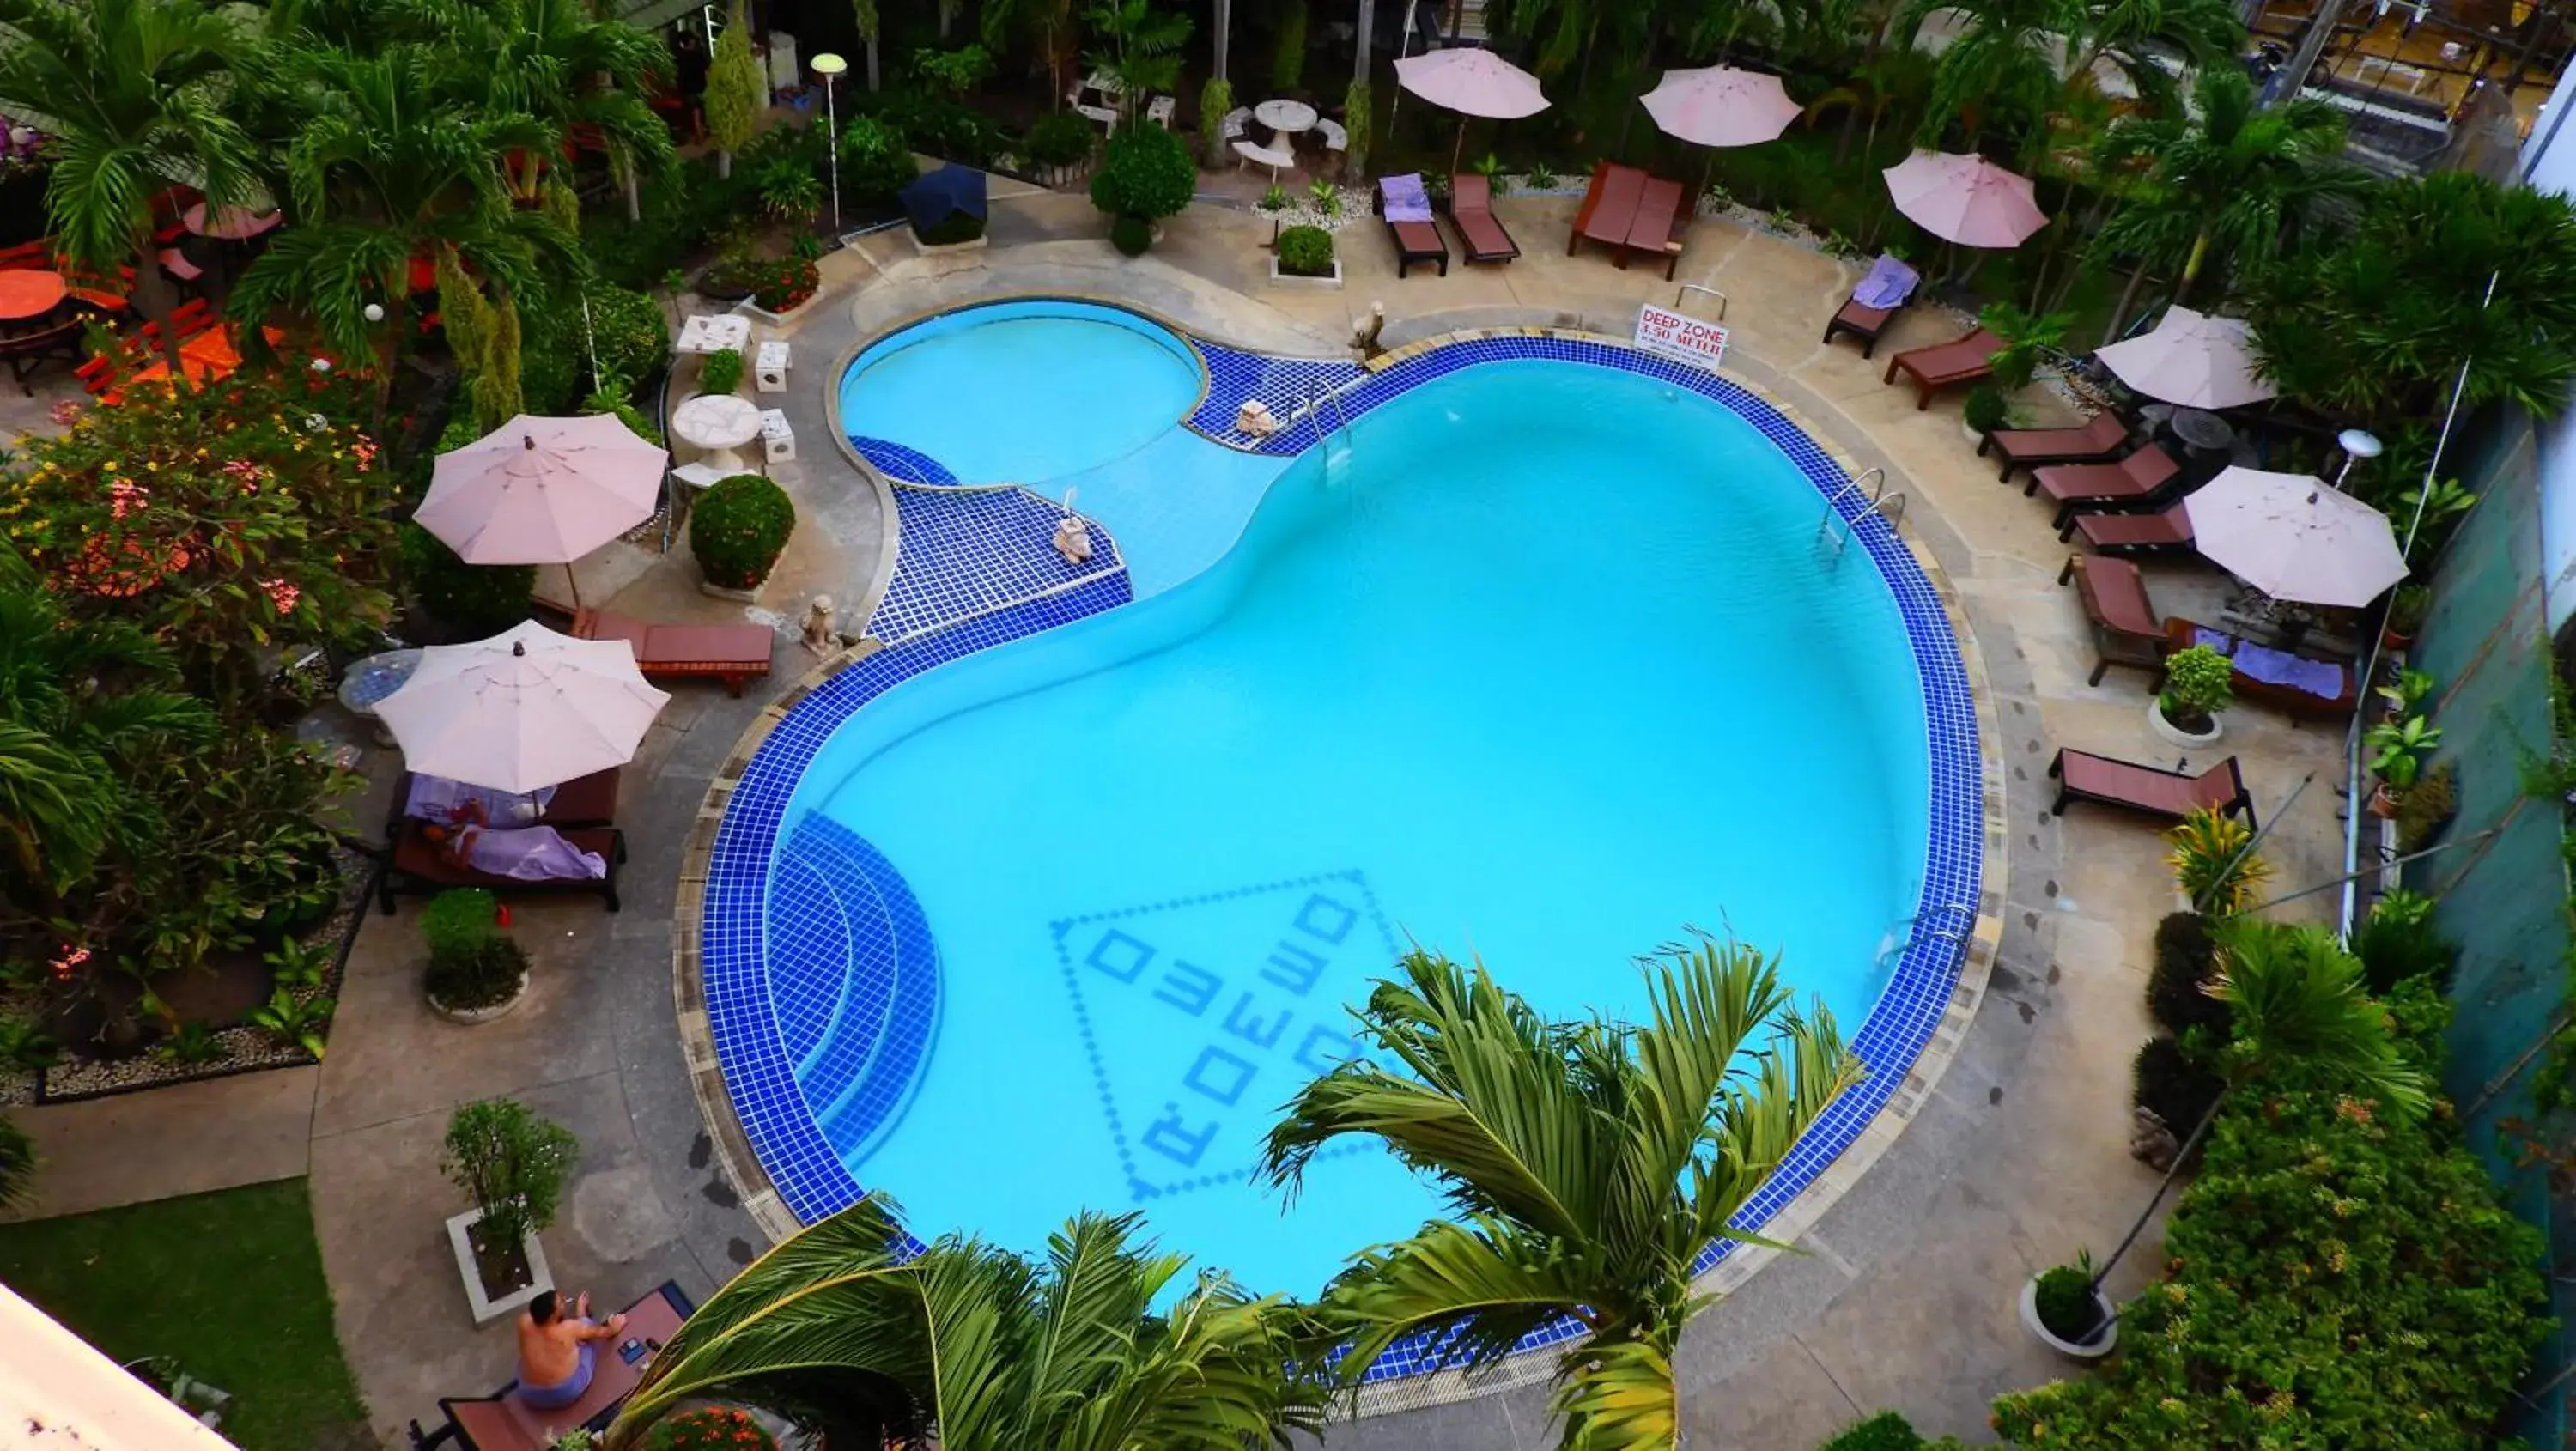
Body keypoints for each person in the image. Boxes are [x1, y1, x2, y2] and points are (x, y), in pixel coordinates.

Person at [516, 1290, 628, 1410]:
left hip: (528, 1392)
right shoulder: (569, 1328)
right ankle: (582, 1314)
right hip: (565, 1392)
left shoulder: (523, 1320)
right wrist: (615, 1326)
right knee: (587, 1339)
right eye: (562, 1303)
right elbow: (606, 1333)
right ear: (553, 1315)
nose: (565, 1301)